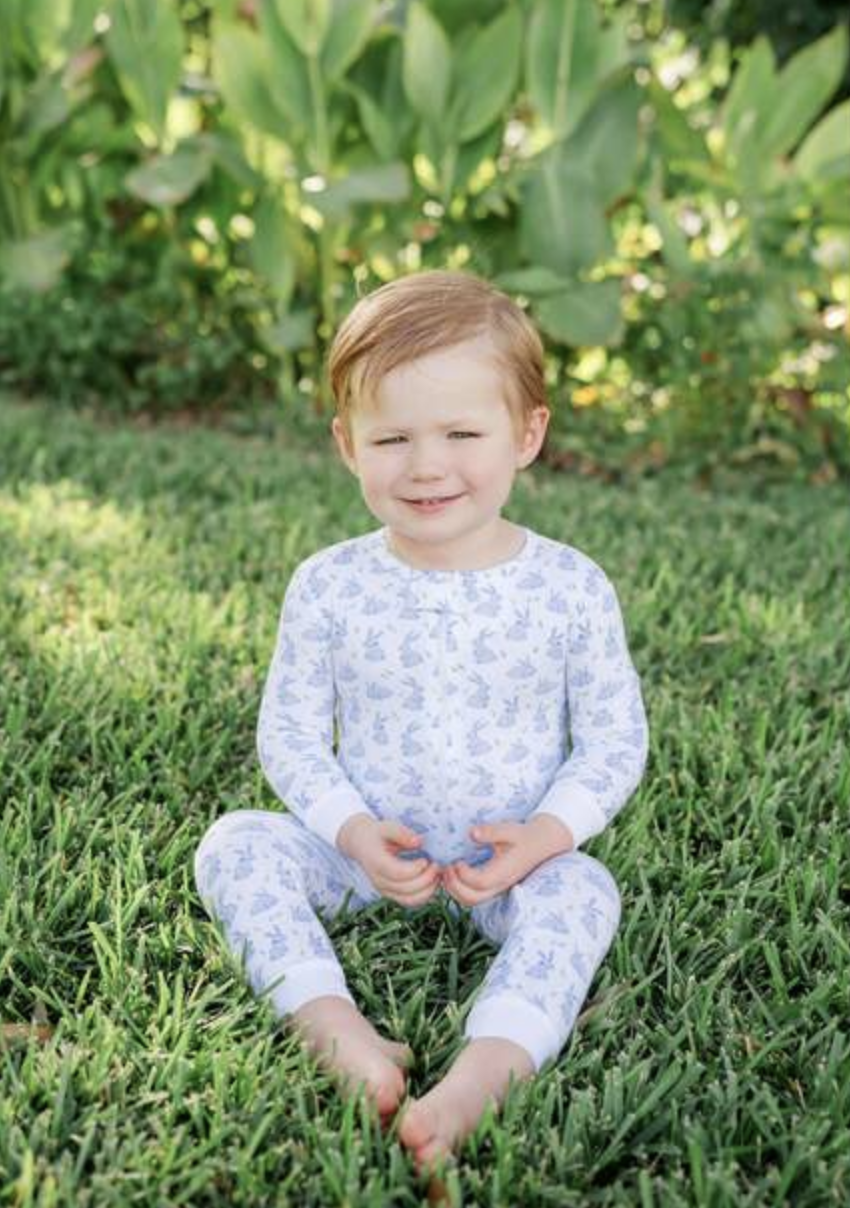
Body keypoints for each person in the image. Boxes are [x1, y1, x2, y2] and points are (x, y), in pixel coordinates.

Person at [193, 269, 649, 1177]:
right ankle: (334, 1027)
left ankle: (487, 1069)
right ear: (345, 444)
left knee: (586, 892)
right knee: (232, 846)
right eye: (392, 437)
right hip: (369, 854)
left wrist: (544, 838)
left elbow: (611, 740)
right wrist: (353, 833)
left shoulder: (568, 587)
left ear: (527, 436)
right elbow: (288, 735)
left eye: (462, 434)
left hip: (506, 860)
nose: (427, 464)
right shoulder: (330, 583)